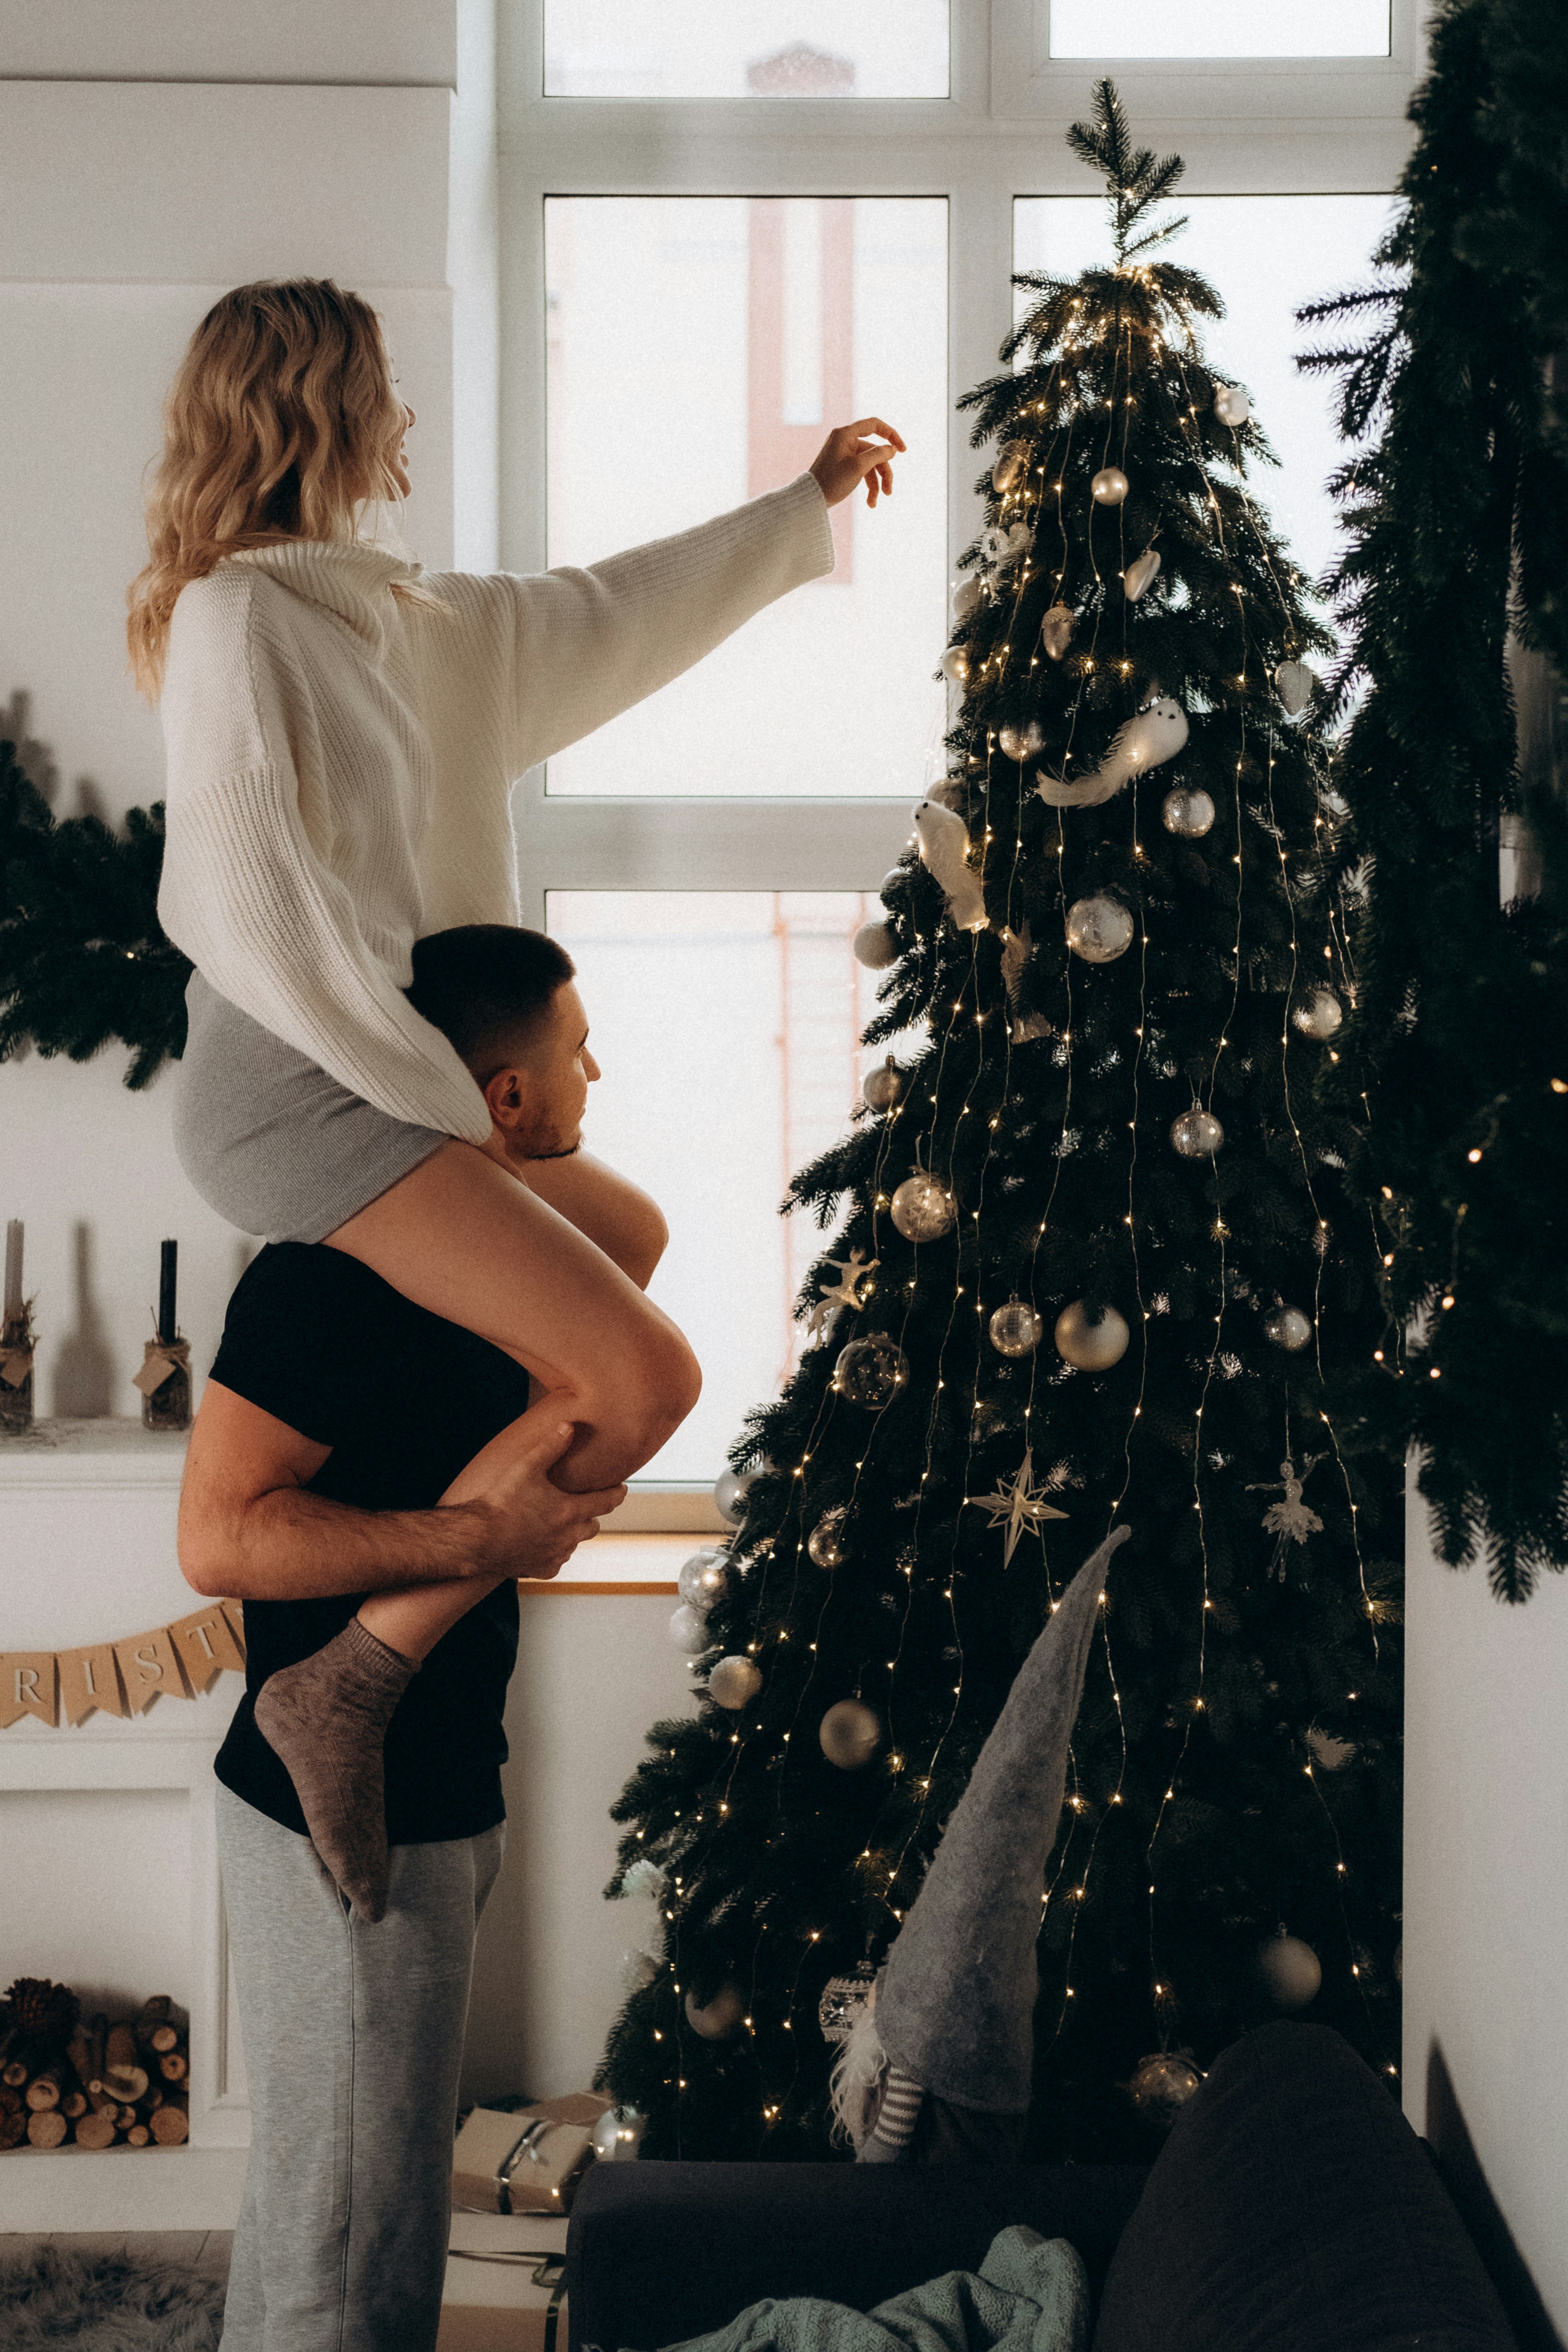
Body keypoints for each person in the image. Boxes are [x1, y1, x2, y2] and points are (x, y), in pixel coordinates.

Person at [128, 277, 904, 1909]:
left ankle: (366, 1649)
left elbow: (616, 611)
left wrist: (801, 508)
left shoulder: (416, 624)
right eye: (385, 392)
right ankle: (355, 1668)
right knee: (647, 1376)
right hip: (300, 1090)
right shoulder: (236, 620)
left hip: (400, 1089)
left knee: (622, 1223)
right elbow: (250, 898)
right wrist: (438, 1101)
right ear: (325, 409)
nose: (405, 418)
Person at [177, 926, 648, 2352]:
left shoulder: (499, 1265)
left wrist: (485, 1142)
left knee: (339, 2209)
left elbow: (637, 1234)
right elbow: (220, 1540)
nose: (598, 1067)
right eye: (576, 1048)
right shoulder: (323, 1279)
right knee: (351, 2251)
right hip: (335, 1810)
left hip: (439, 1780)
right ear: (504, 1096)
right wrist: (472, 1545)